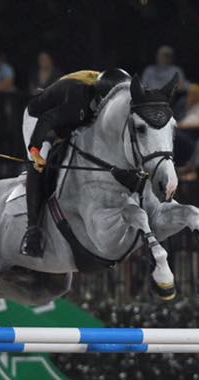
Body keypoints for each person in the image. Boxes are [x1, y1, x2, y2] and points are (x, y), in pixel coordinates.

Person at [19, 68, 132, 257]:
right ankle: (32, 232)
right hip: (40, 116)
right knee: (40, 162)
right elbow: (47, 121)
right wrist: (35, 150)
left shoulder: (114, 93)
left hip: (71, 114)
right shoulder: (78, 99)